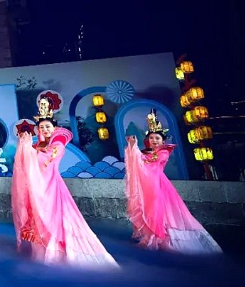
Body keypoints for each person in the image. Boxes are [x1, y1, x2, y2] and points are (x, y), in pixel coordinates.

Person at [11, 96, 118, 268]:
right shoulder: (37, 145)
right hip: (37, 188)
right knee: (38, 217)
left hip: (51, 187)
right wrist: (24, 147)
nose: (45, 129)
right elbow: (24, 163)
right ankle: (42, 253)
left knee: (56, 218)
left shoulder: (57, 144)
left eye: (48, 127)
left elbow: (45, 160)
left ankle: (61, 253)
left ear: (54, 128)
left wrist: (28, 150)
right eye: (41, 127)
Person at [124, 109, 222, 254]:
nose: (154, 141)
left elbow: (149, 164)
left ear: (163, 141)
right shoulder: (147, 153)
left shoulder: (163, 152)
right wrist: (132, 148)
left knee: (161, 212)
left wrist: (136, 150)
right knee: (150, 210)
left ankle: (162, 239)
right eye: (151, 138)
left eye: (157, 138)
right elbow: (138, 162)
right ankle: (151, 237)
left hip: (159, 186)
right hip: (149, 186)